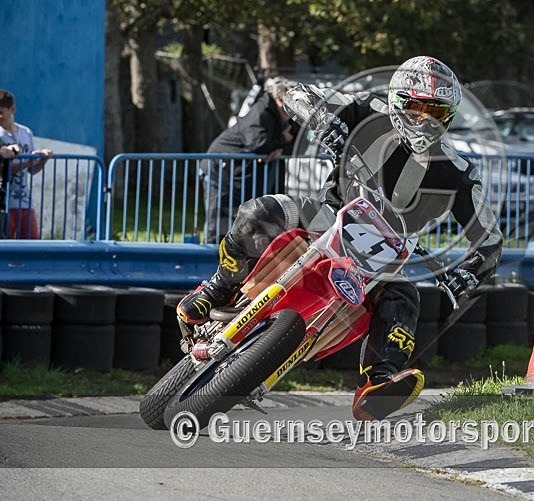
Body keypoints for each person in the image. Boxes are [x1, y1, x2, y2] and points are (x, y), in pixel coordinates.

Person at [178, 56, 504, 420]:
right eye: (417, 108)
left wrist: (470, 270)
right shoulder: (367, 109)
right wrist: (322, 119)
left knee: (405, 295)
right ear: (397, 101)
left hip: (386, 252)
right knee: (259, 212)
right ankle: (217, 289)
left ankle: (378, 381)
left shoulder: (459, 171)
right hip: (326, 215)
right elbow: (297, 94)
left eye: (436, 112)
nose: (425, 120)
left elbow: (490, 239)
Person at [202, 79, 293, 244]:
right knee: (219, 223)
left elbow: (292, 141)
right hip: (220, 169)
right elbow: (258, 144)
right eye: (287, 103)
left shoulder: (281, 117)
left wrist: (279, 147)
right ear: (278, 99)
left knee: (244, 224)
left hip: (240, 175)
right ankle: (212, 254)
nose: (290, 109)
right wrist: (281, 140)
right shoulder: (261, 112)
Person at [0, 89, 53, 239]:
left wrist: (42, 160)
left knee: (31, 243)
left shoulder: (26, 133)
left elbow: (31, 170)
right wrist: (29, 161)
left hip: (24, 201)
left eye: (1, 112)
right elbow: (3, 170)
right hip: (5, 202)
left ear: (12, 109)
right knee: (7, 245)